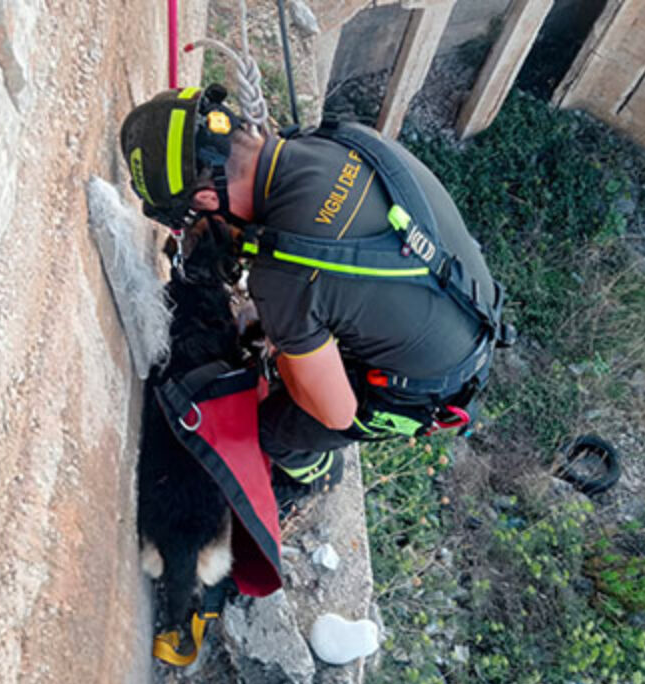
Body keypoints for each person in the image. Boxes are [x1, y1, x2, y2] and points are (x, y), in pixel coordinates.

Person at [119, 84, 509, 509]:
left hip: (428, 382)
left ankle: (313, 476)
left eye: (196, 217)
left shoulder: (286, 274)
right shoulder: (335, 139)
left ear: (209, 198)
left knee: (272, 425)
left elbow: (337, 413)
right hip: (469, 300)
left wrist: (282, 349)